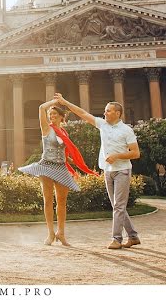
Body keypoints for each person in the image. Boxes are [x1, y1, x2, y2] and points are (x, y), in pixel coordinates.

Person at [55, 93, 141, 249]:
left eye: (108, 111)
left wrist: (117, 156)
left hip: (123, 170)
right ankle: (133, 236)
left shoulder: (126, 130)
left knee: (118, 206)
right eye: (105, 111)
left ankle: (116, 239)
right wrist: (64, 102)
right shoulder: (103, 125)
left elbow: (136, 153)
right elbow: (82, 113)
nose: (104, 113)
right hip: (108, 171)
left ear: (118, 113)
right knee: (117, 206)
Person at [18, 96, 97, 246]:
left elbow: (64, 154)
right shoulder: (46, 128)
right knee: (48, 201)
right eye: (50, 115)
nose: (52, 116)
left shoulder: (65, 133)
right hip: (46, 166)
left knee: (62, 202)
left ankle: (61, 233)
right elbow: (41, 108)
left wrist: (76, 164)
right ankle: (50, 233)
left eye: (55, 114)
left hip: (61, 167)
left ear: (62, 117)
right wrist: (54, 102)